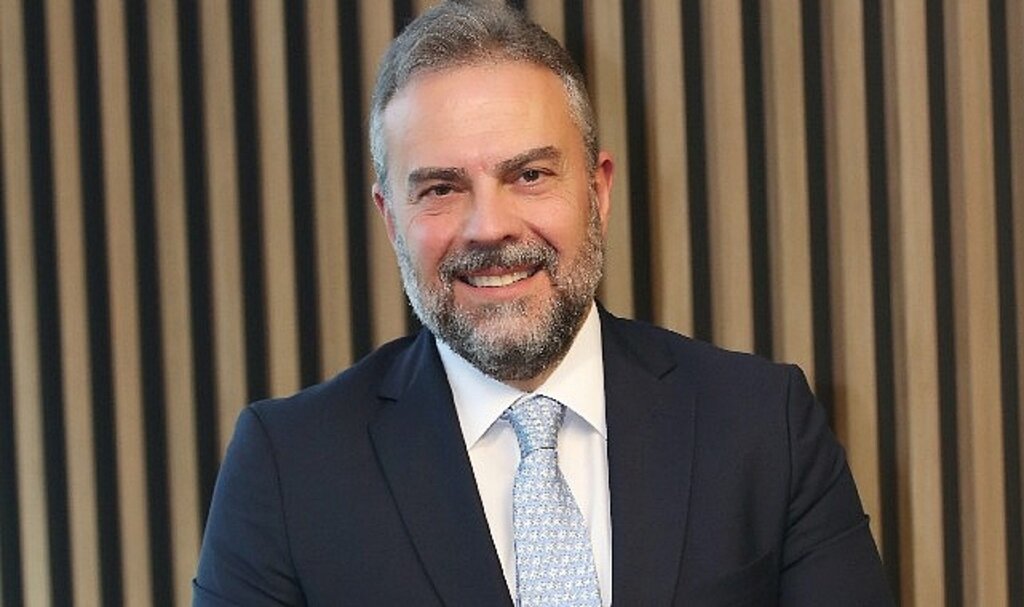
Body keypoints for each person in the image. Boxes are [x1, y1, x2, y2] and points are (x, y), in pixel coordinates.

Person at [193, 1, 894, 605]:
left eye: (529, 175)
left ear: (599, 191)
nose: (489, 227)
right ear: (390, 219)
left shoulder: (763, 426)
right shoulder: (288, 469)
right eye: (440, 188)